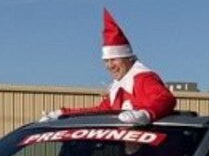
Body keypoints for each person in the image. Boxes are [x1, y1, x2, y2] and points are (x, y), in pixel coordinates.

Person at [40, 8, 177, 125]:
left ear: (128, 59)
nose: (110, 66)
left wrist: (146, 114)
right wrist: (62, 113)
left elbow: (165, 99)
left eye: (114, 60)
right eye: (106, 61)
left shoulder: (143, 78)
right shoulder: (117, 90)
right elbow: (98, 112)